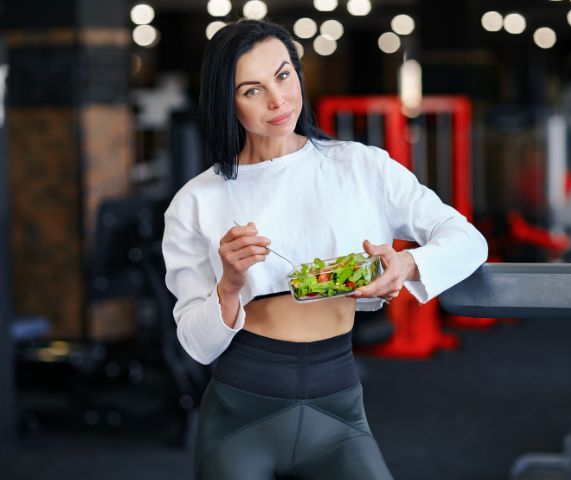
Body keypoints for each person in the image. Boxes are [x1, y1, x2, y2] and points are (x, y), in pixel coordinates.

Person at [162, 19, 487, 480]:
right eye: (251, 90)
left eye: (283, 76)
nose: (277, 101)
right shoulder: (196, 202)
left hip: (339, 407)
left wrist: (408, 262)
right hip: (241, 413)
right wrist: (229, 285)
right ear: (226, 100)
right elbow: (195, 344)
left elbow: (468, 240)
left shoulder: (360, 166)